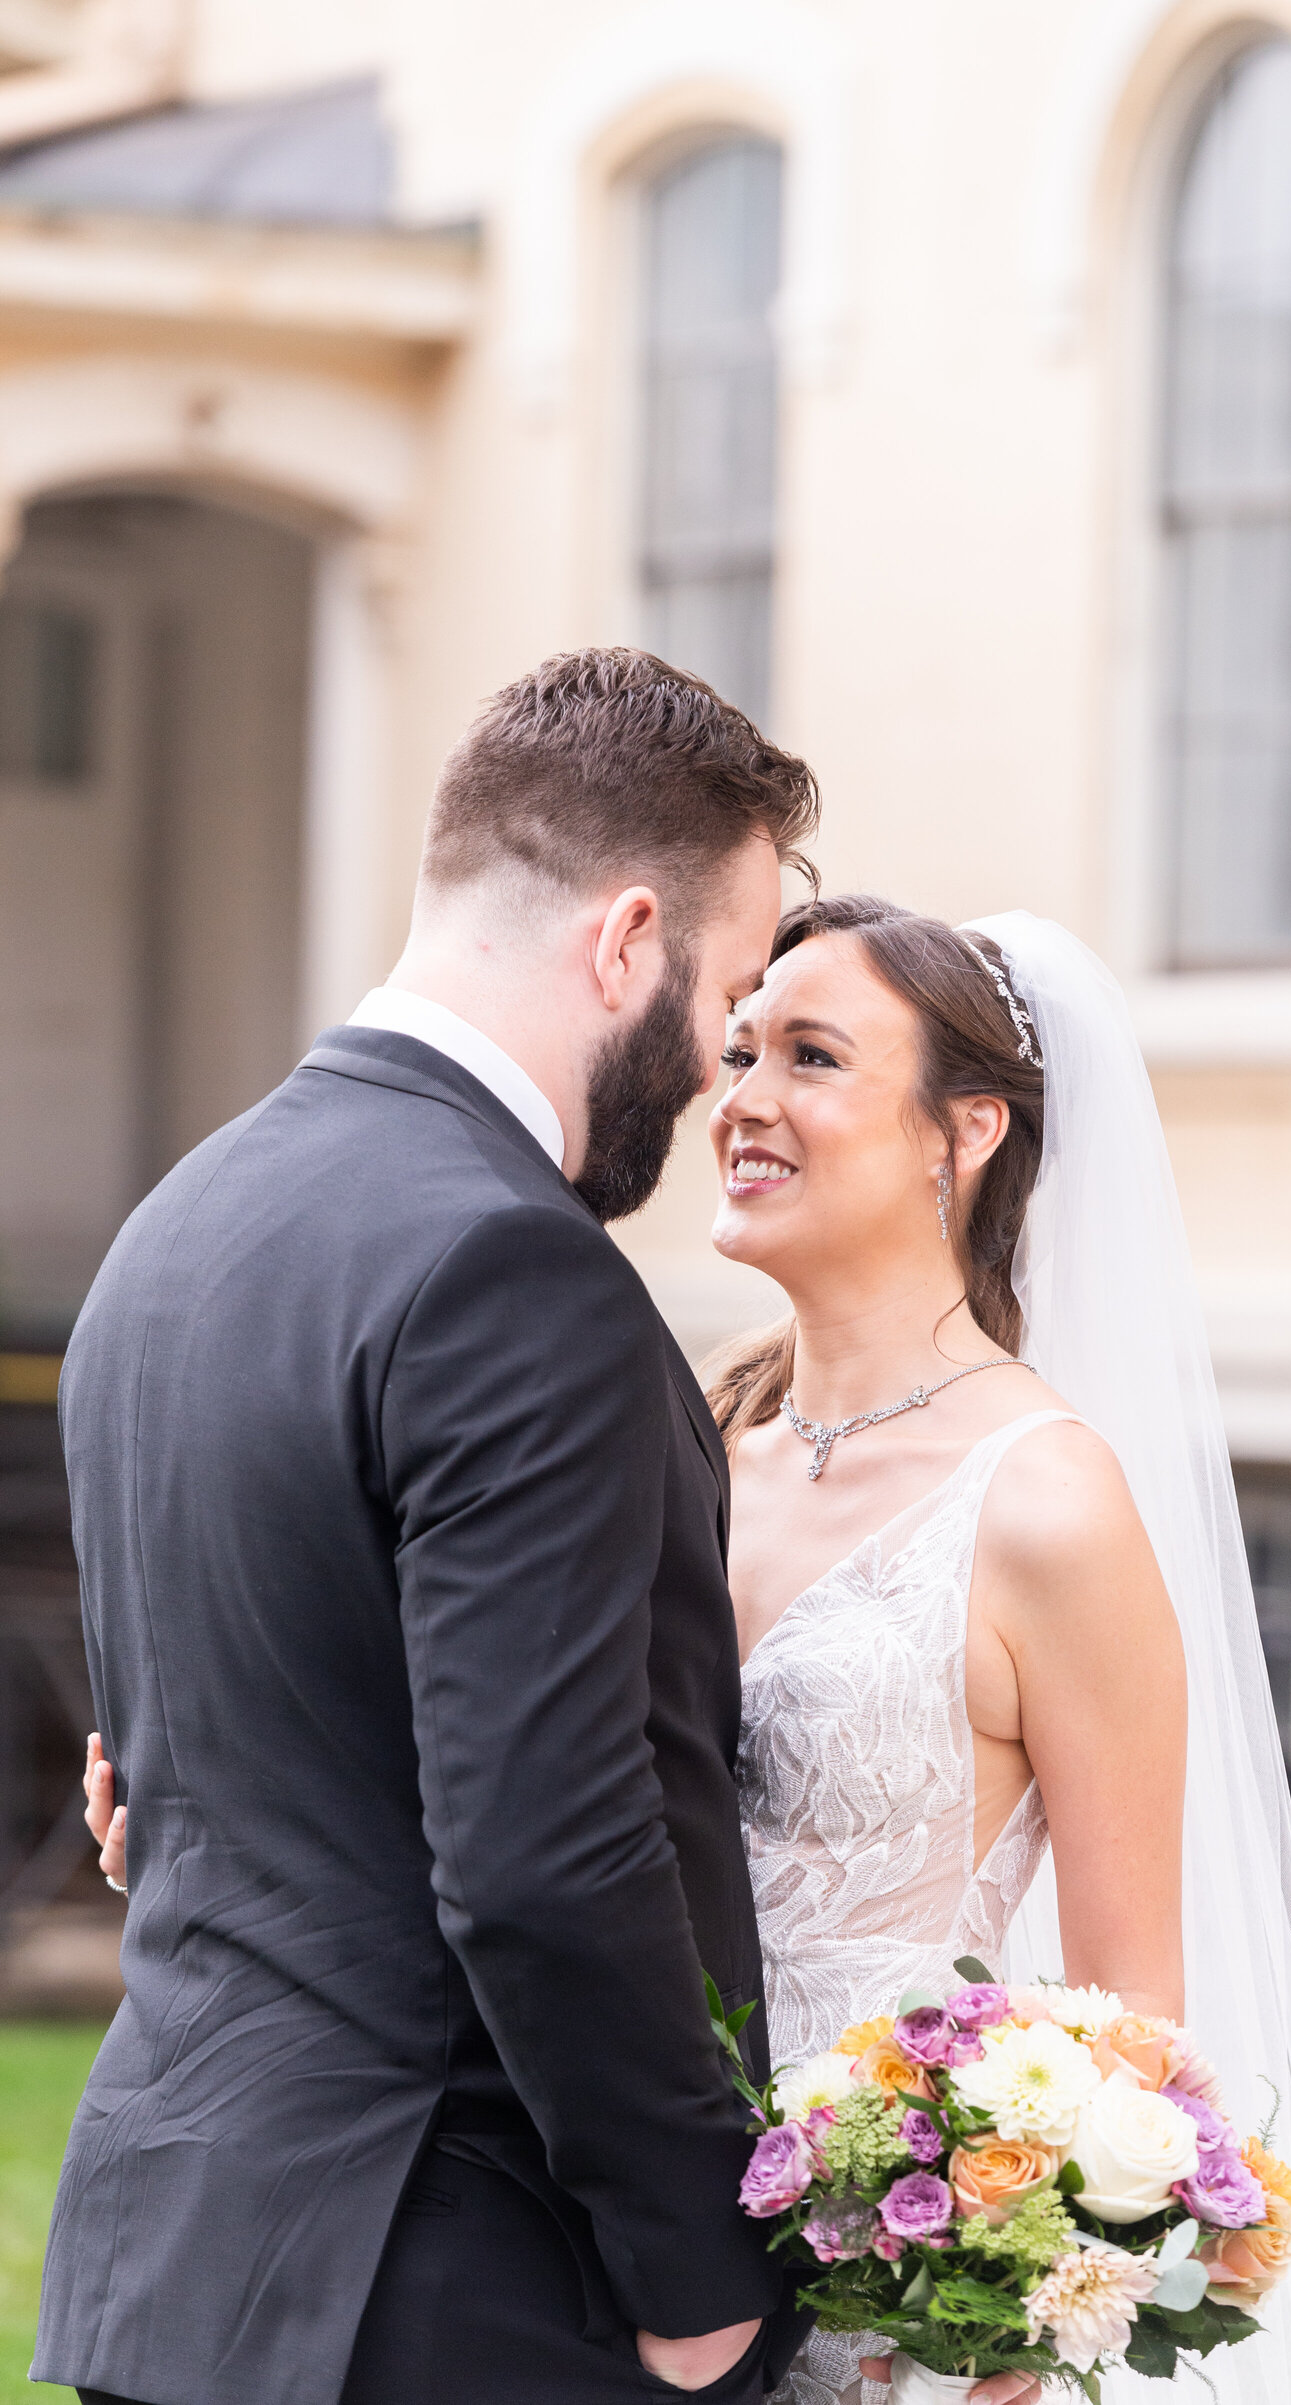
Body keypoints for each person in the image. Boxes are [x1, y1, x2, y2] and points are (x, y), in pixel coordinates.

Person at [82, 883, 1291, 2403]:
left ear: (962, 1133)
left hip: (879, 2293)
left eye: (814, 1058)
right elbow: (485, 1750)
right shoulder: (691, 1422)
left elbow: (1133, 2025)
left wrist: (1020, 2294)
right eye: (743, 1043)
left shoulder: (1050, 1501)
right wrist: (199, 1791)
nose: (743, 1096)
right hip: (598, 2227)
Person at [43, 649, 824, 2405]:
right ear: (627, 941)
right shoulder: (511, 1266)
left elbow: (213, 1741)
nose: (716, 1067)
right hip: (444, 2286)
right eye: (724, 992)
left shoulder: (180, 1221)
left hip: (177, 2274)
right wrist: (700, 2274)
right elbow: (546, 1843)